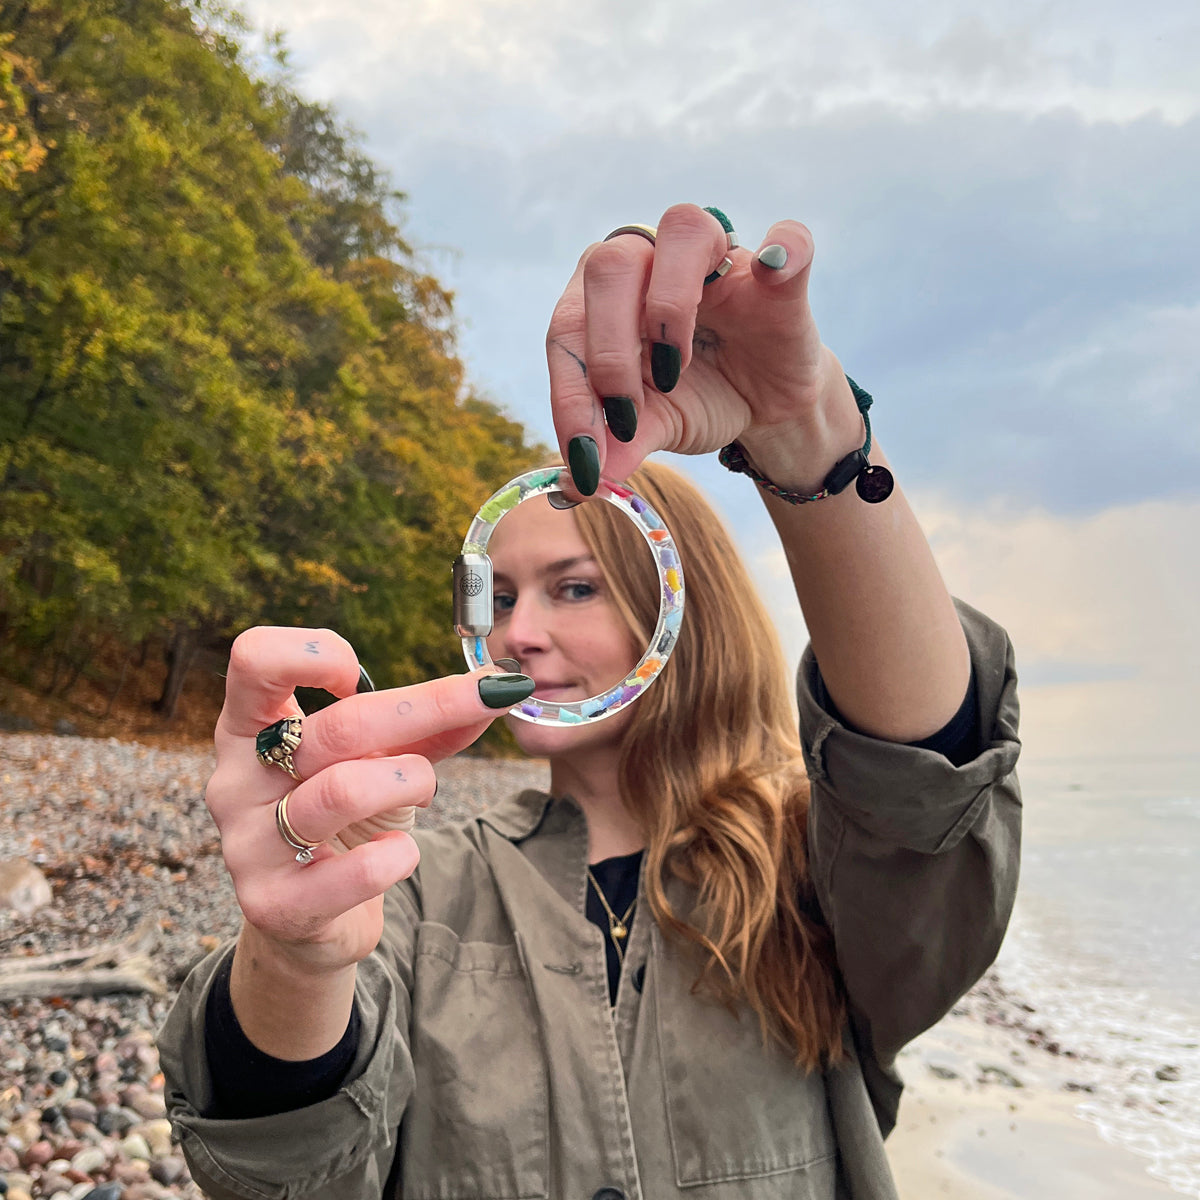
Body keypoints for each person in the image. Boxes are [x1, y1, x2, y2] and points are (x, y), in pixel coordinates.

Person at [158, 204, 1021, 1200]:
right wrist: (298, 956)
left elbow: (926, 794)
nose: (518, 633)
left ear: (674, 608)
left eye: (572, 587)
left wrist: (805, 429)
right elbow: (288, 1170)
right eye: (503, 596)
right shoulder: (411, 880)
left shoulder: (806, 872)